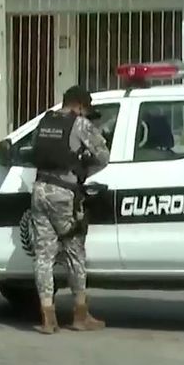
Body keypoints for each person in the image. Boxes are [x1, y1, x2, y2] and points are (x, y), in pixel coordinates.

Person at [29, 85, 111, 335]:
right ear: (78, 106)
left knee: (44, 256)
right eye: (85, 109)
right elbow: (103, 155)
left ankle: (47, 318)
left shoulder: (44, 122)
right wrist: (83, 170)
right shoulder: (80, 125)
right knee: (75, 250)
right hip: (64, 193)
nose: (85, 114)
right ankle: (80, 315)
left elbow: (33, 152)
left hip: (40, 190)